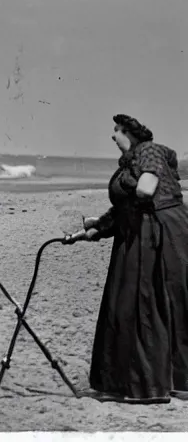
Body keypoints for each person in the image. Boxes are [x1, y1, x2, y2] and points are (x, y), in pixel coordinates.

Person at [79, 113, 188, 404]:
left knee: (148, 304)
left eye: (116, 130)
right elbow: (126, 208)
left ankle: (150, 387)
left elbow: (145, 189)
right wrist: (96, 228)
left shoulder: (149, 150)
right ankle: (149, 384)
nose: (112, 136)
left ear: (130, 132)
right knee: (142, 304)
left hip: (160, 233)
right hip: (139, 233)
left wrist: (128, 180)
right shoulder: (132, 160)